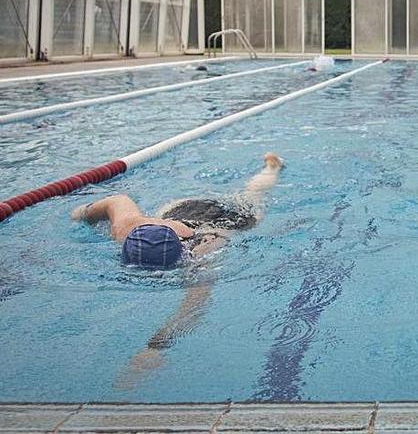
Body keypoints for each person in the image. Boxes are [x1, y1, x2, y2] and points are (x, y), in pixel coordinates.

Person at [71, 152, 284, 386]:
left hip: (227, 219)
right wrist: (83, 213)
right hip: (182, 209)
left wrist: (156, 348)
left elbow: (193, 308)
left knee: (253, 197)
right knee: (249, 194)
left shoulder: (204, 251)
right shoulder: (127, 228)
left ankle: (272, 169)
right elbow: (117, 199)